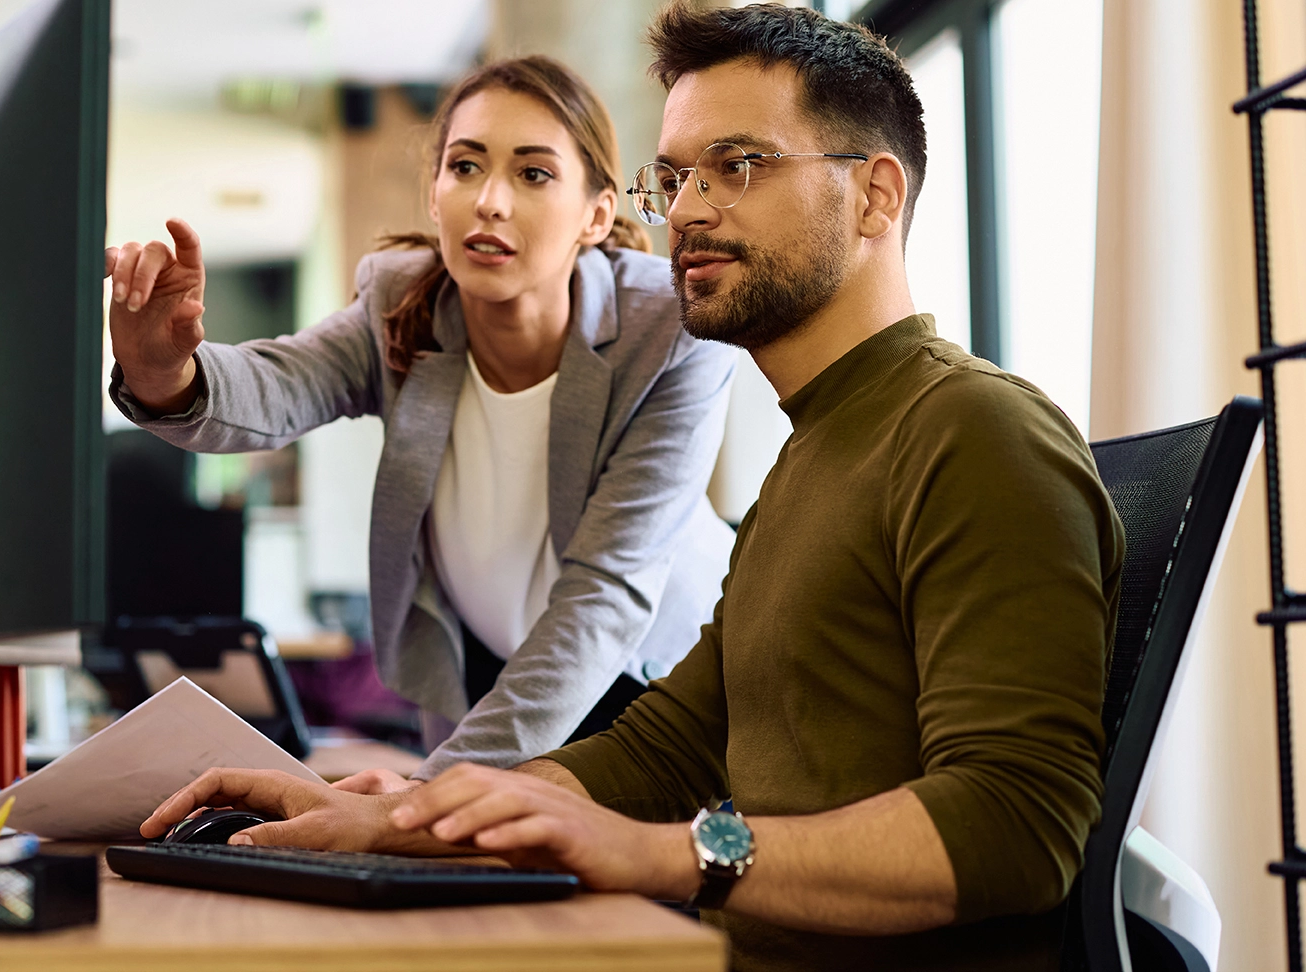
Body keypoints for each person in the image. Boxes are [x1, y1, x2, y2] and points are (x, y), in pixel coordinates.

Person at [138, 5, 1124, 970]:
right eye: (677, 177)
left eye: (738, 166)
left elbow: (1018, 826)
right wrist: (402, 816)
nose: (690, 210)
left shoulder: (973, 431)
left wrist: (668, 853)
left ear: (874, 197)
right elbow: (666, 748)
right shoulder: (809, 458)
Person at [105, 55, 737, 779]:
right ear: (435, 196)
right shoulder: (402, 305)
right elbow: (278, 385)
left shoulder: (669, 330)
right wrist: (165, 372)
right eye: (465, 167)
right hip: (490, 687)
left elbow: (606, 595)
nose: (489, 201)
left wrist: (428, 792)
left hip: (658, 691)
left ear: (595, 215)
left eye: (533, 174)